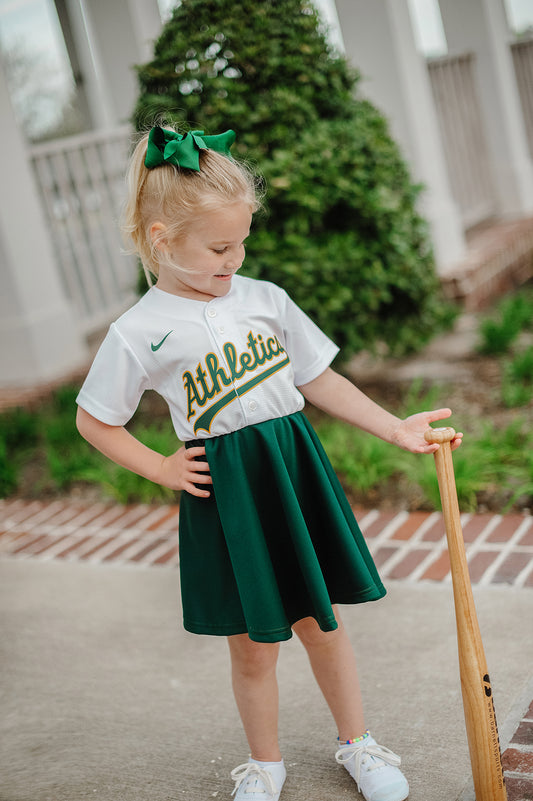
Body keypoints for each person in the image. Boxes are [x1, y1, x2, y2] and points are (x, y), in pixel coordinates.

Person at [76, 126, 462, 801]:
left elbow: (320, 378)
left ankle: (357, 743)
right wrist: (159, 468)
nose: (236, 257)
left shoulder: (264, 298)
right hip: (226, 492)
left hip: (291, 470)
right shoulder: (137, 330)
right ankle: (264, 763)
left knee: (321, 620)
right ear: (162, 239)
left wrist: (392, 427)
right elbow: (94, 418)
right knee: (252, 643)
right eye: (220, 247)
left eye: (241, 242)